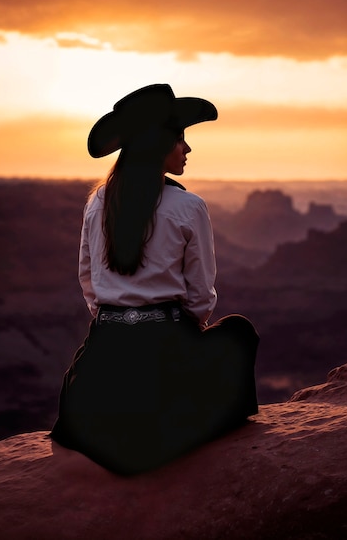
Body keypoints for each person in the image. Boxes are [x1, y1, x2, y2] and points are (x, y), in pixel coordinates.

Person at [51, 84, 259, 475]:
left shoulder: (98, 201)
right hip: (166, 344)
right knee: (238, 333)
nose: (188, 149)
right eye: (181, 138)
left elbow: (88, 280)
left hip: (105, 349)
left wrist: (114, 322)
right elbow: (201, 294)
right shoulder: (188, 206)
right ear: (160, 143)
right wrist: (183, 334)